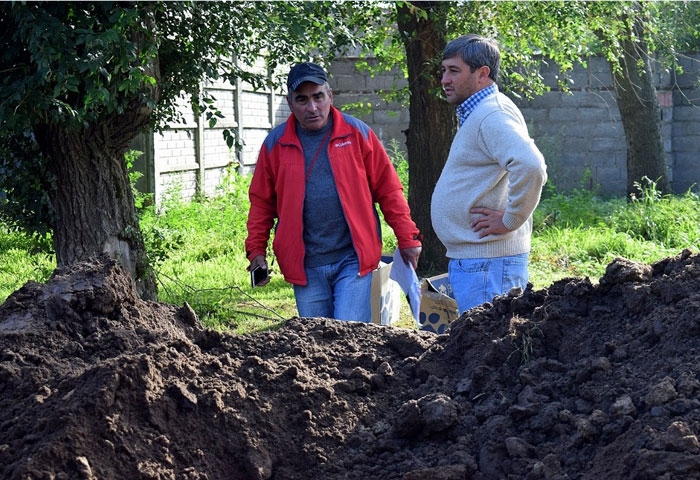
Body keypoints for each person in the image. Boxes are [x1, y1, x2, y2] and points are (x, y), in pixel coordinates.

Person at [245, 62, 422, 322]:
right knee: (317, 342)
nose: (312, 107)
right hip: (305, 264)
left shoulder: (358, 134)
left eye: (318, 97)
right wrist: (256, 251)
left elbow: (389, 189)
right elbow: (261, 203)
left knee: (349, 335)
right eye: (302, 100)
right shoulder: (276, 144)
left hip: (353, 258)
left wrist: (407, 237)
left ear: (330, 96)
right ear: (290, 103)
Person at [431, 34, 547, 314]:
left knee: (489, 352)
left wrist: (511, 220)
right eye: (444, 70)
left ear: (482, 74)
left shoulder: (491, 114)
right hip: (481, 264)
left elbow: (531, 165)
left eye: (454, 71)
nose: (444, 79)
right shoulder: (482, 112)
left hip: (487, 265)